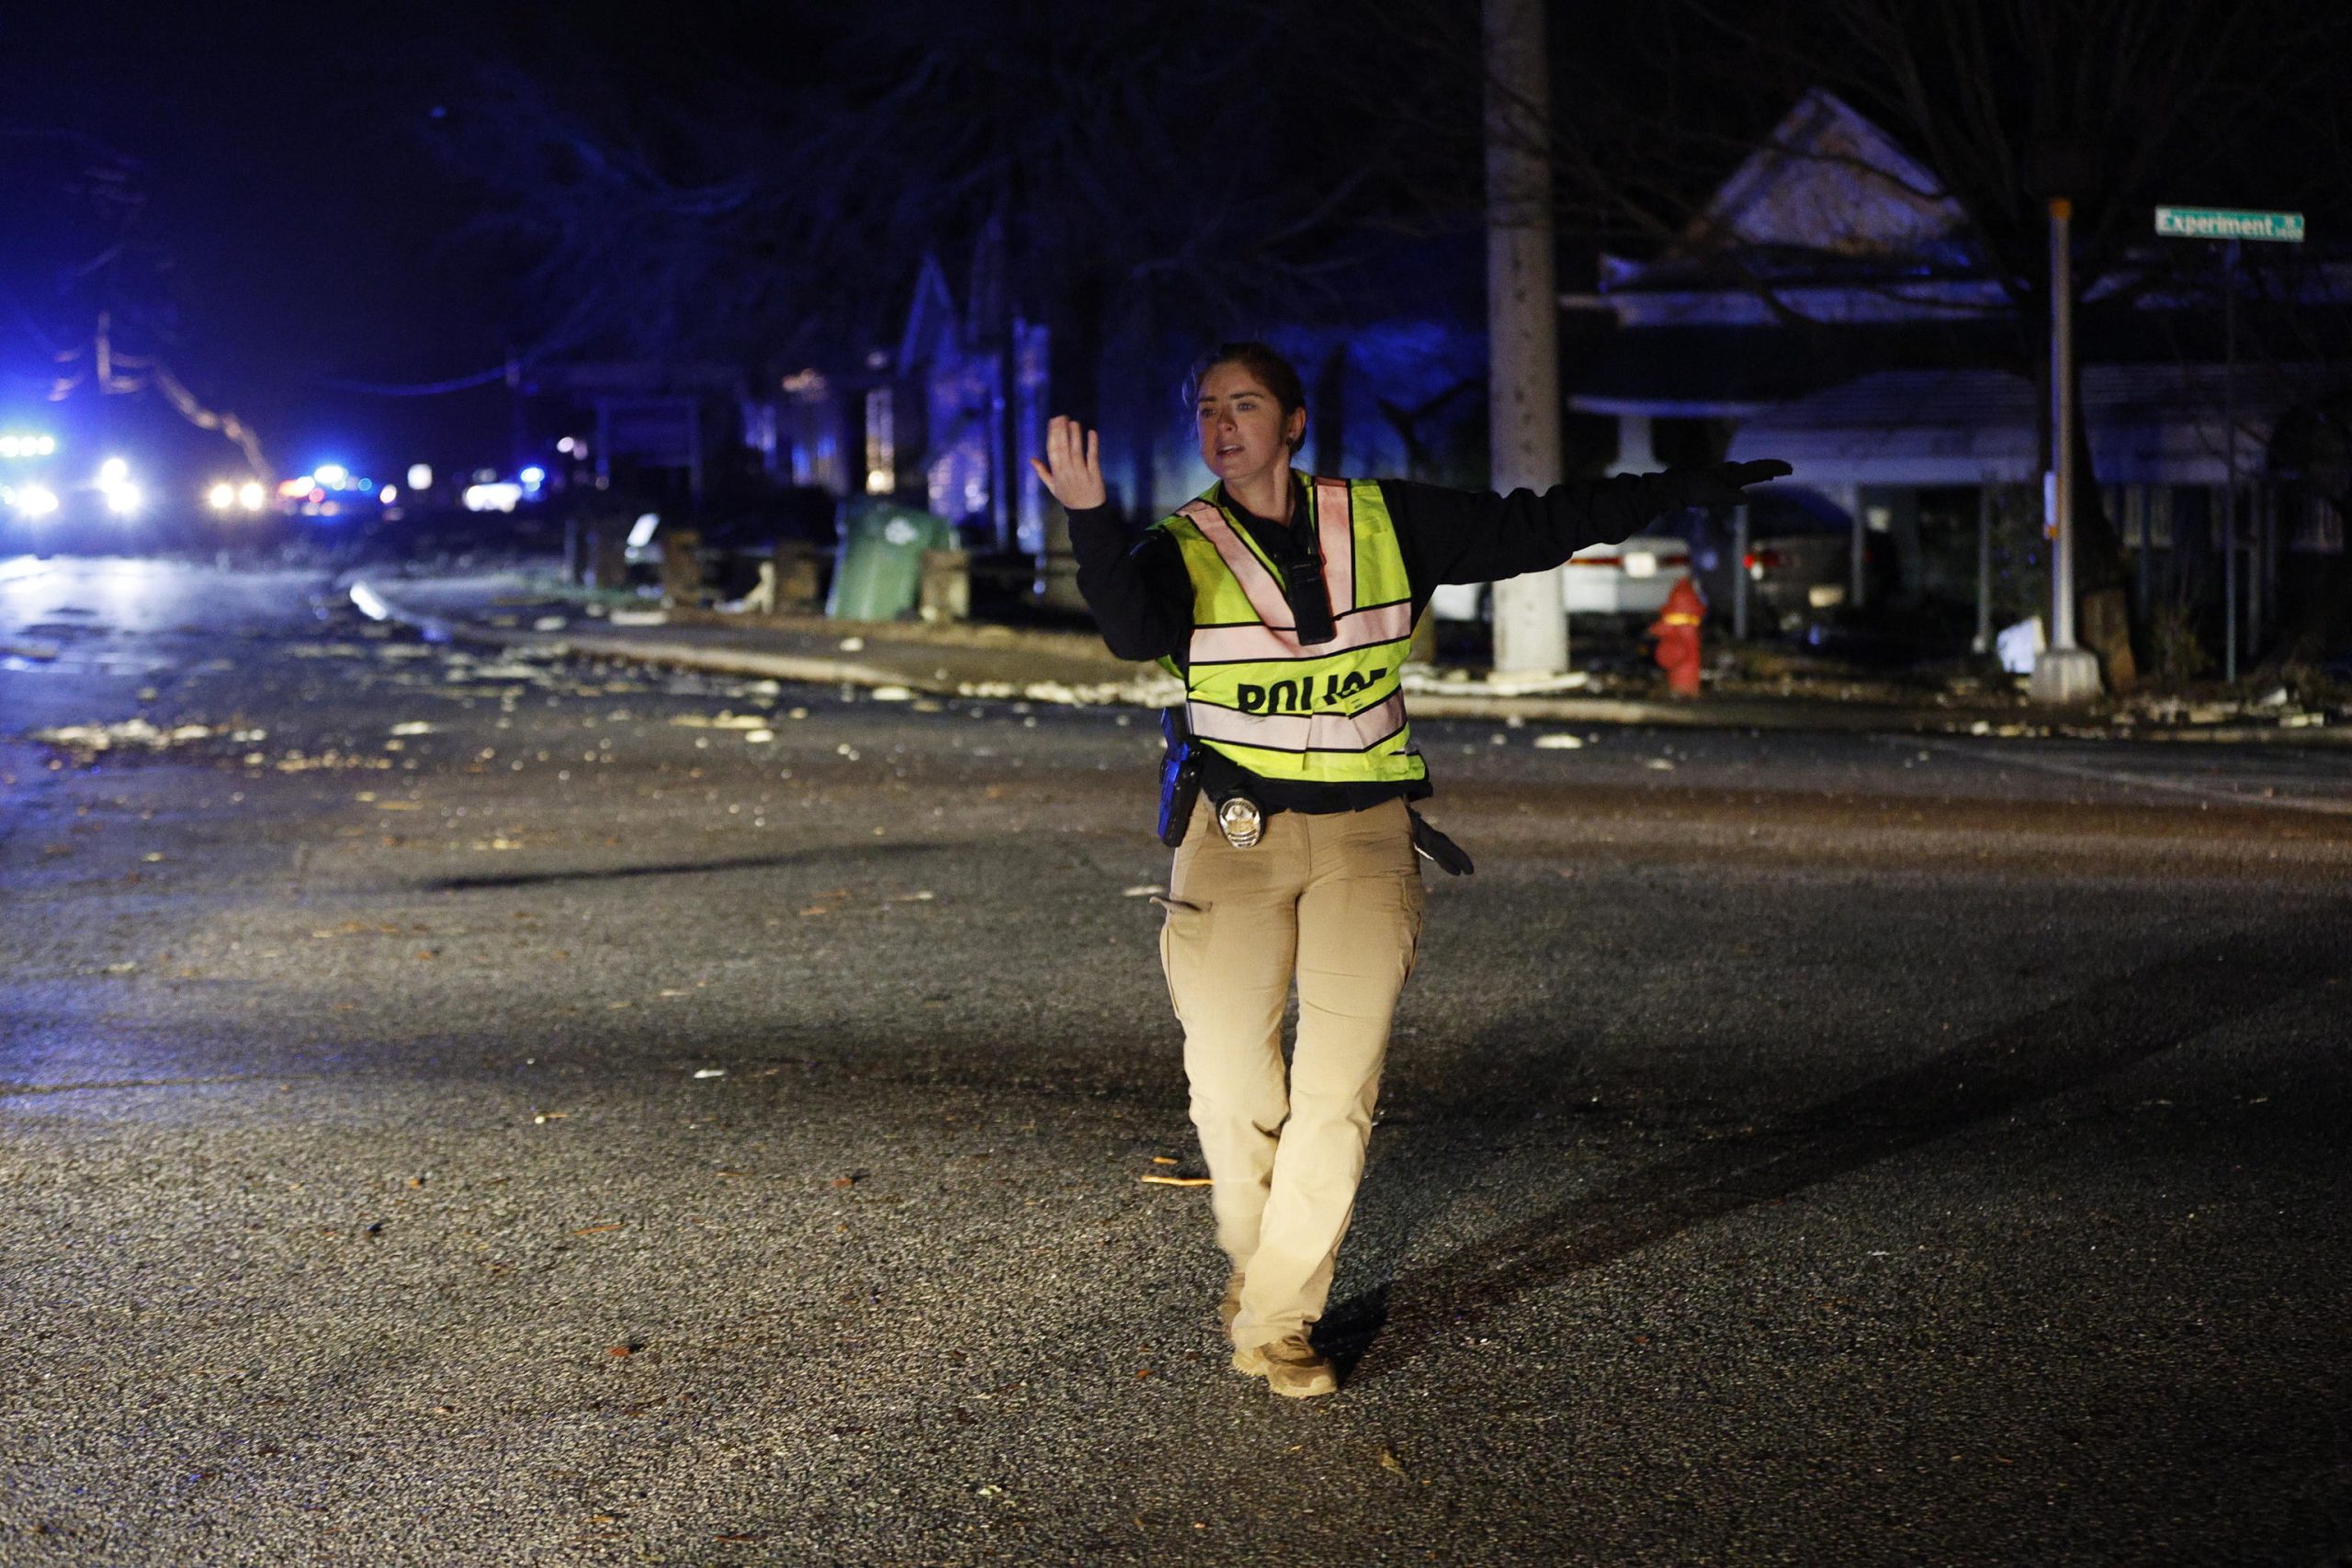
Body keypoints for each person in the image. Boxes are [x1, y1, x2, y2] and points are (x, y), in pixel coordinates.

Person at [1031, 341, 1788, 1398]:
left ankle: (1278, 1323)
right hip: (1234, 834)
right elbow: (1129, 630)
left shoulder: (1383, 520)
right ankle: (1263, 1273)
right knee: (1231, 1091)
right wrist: (1090, 515)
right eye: (1207, 409)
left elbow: (1535, 525)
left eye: (1245, 405)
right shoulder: (1176, 544)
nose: (1222, 425)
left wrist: (1678, 490)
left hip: (1366, 838)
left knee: (1335, 1095)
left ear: (1295, 423)